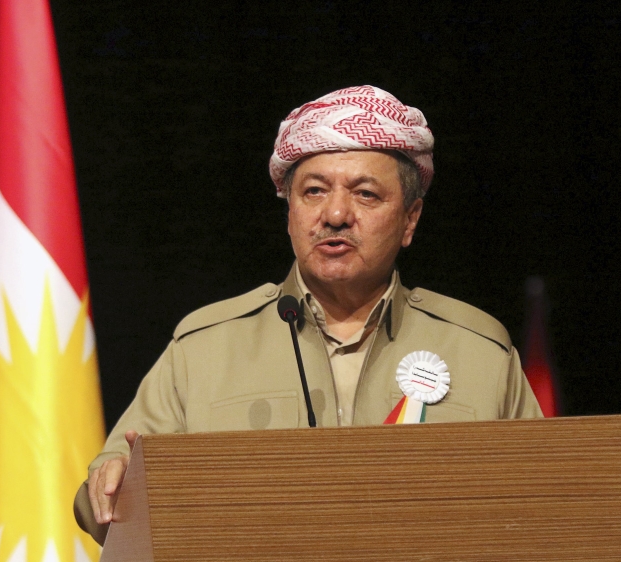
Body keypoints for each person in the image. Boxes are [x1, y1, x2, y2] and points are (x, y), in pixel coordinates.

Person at [73, 85, 542, 543]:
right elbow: (102, 506)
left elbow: (547, 508)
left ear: (410, 219)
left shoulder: (481, 350)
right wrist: (111, 486)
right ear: (291, 210)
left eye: (365, 194)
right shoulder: (203, 348)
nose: (335, 214)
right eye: (314, 191)